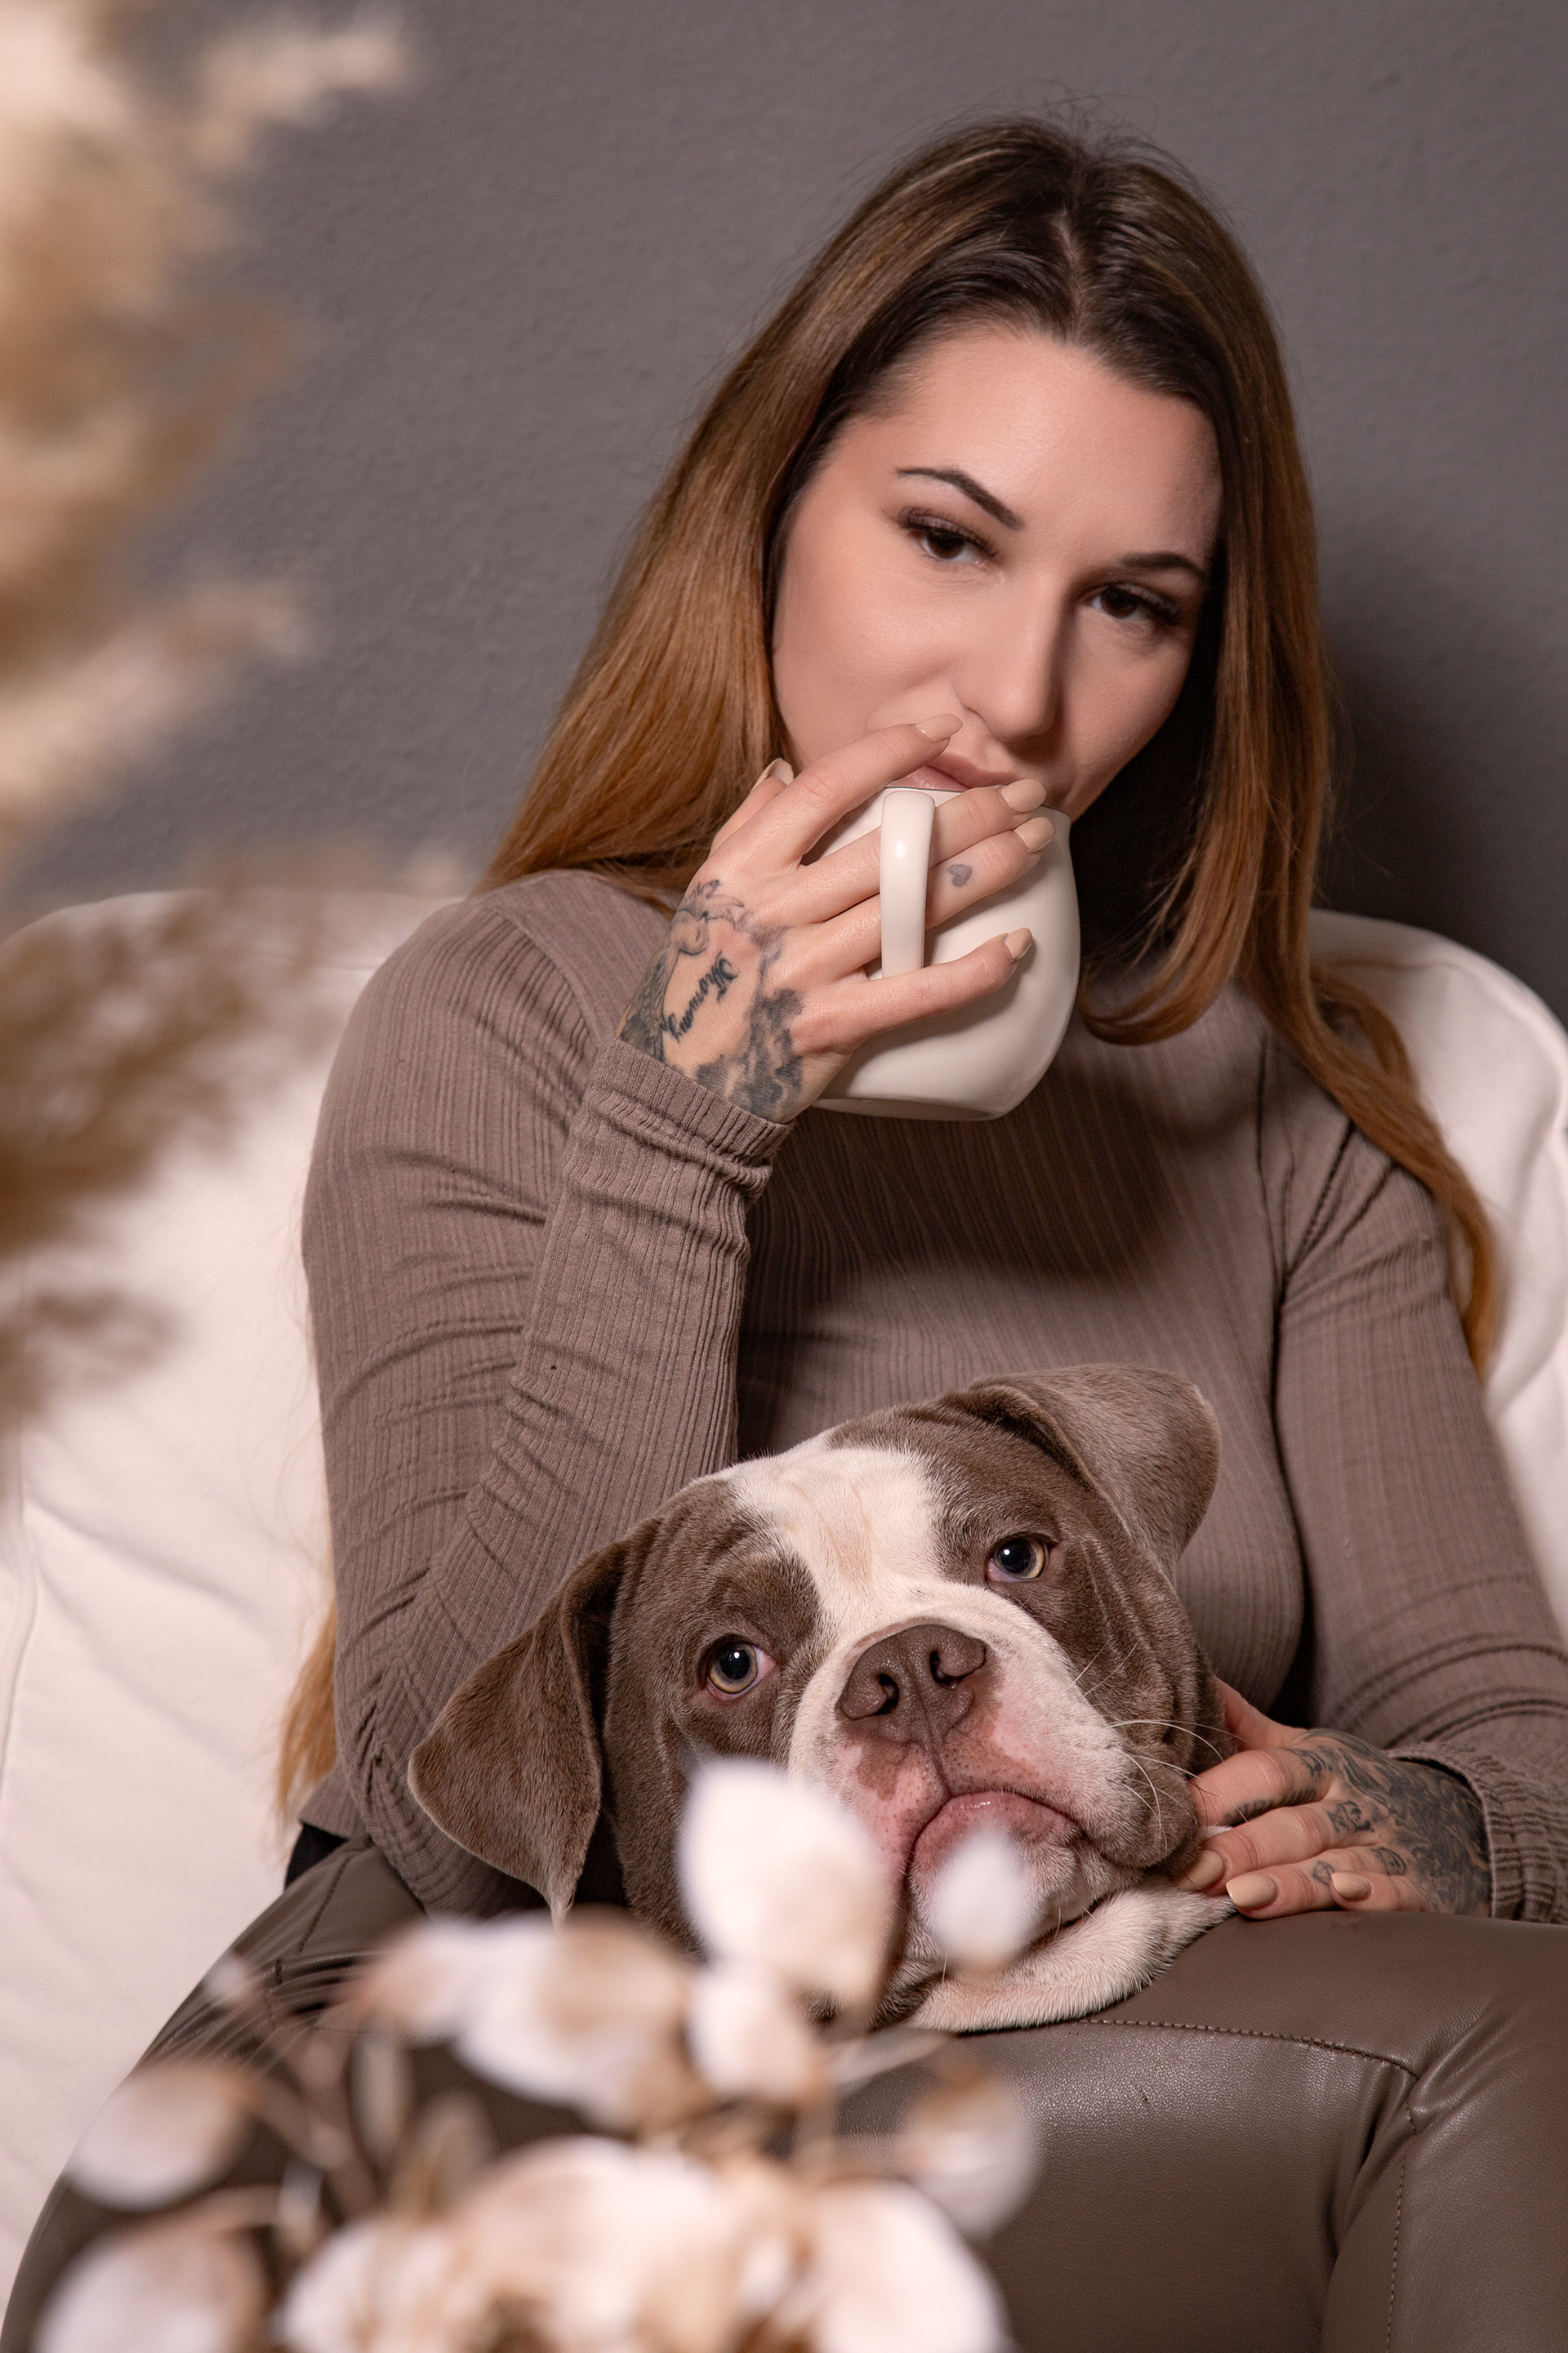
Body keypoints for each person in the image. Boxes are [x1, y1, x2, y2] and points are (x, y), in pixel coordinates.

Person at [8, 117, 1568, 2353]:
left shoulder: (1275, 1113)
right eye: (947, 539)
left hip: (1027, 2088)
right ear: (769, 518)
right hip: (448, 2086)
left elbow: (1516, 1747)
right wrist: (693, 1109)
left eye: (1130, 604)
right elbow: (454, 1829)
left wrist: (1420, 1820)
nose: (1016, 695)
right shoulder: (516, 1007)